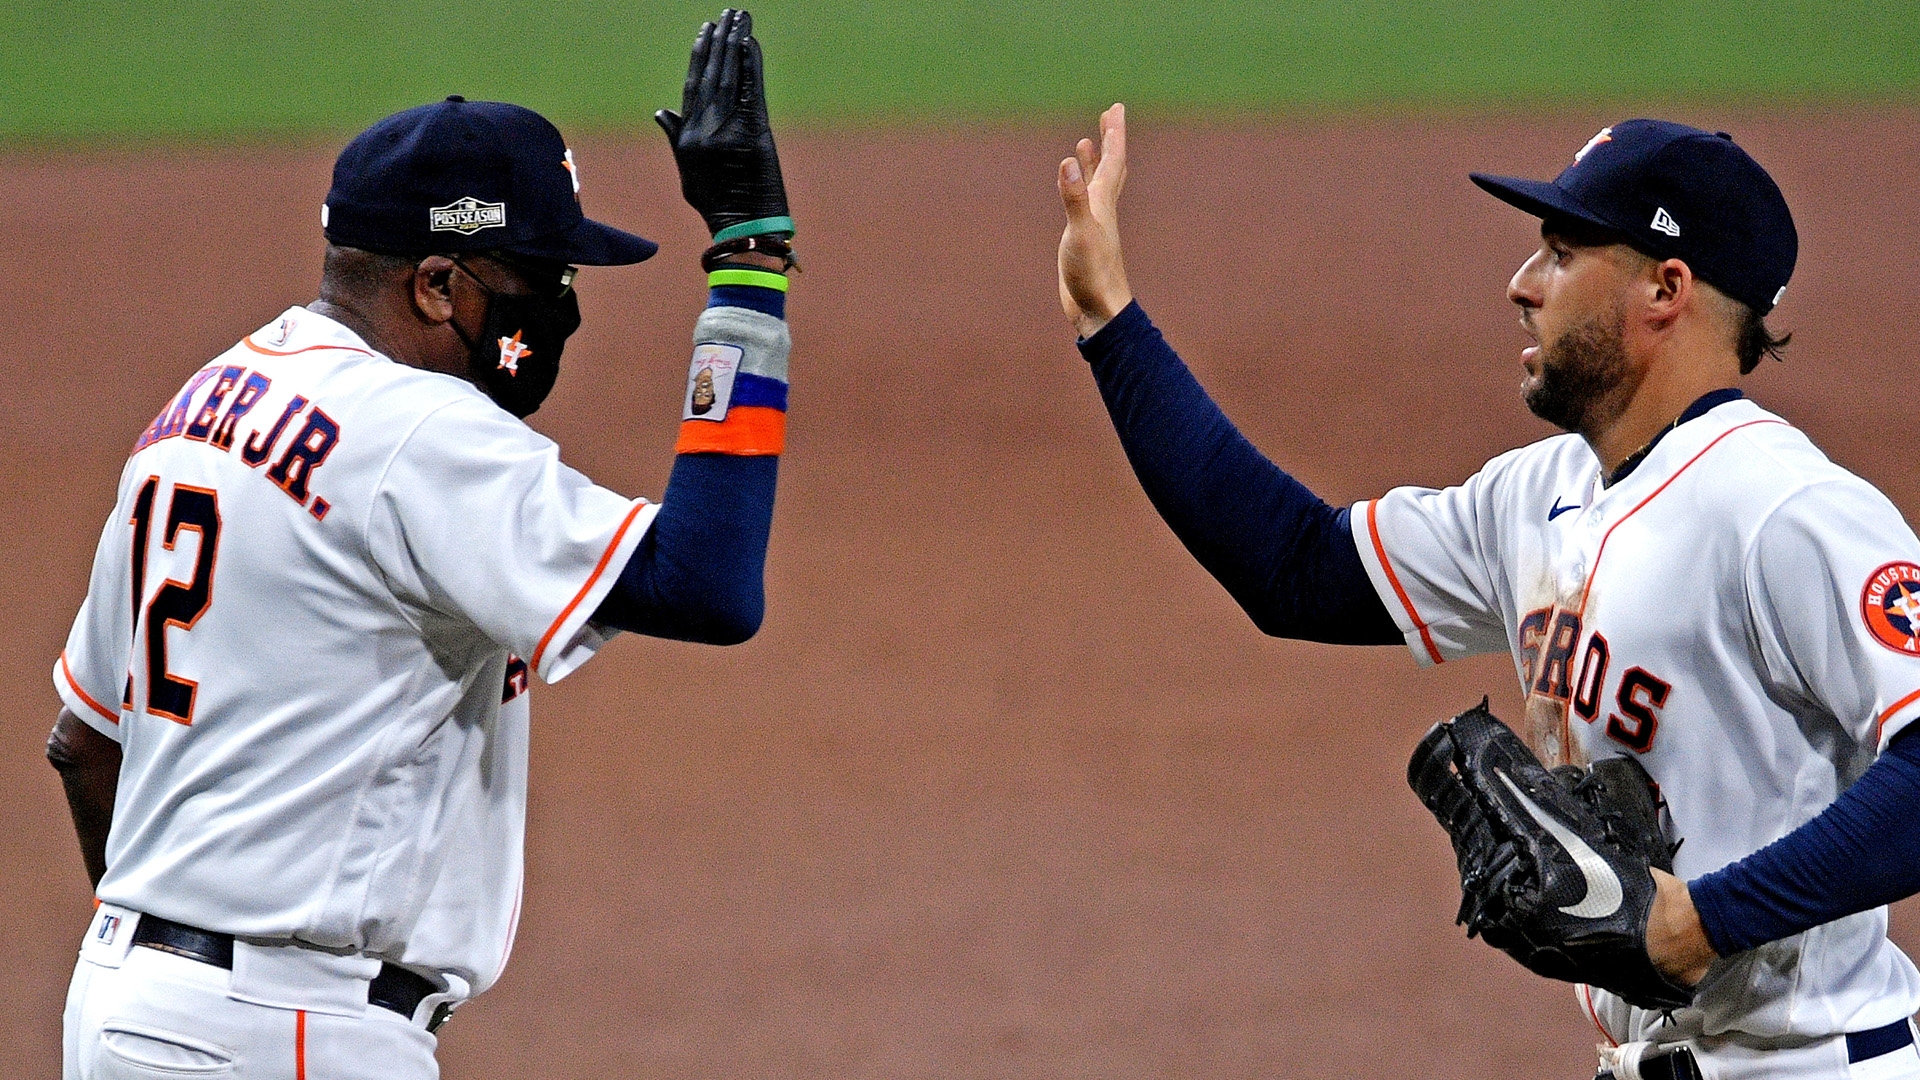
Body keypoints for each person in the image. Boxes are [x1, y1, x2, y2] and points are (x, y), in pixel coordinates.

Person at [1056, 104, 1920, 1079]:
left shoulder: (1786, 510)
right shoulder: (1533, 495)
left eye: (1560, 253)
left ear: (1664, 288)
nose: (1521, 285)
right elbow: (1294, 569)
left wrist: (1700, 923)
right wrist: (1110, 321)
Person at [47, 10, 797, 1078]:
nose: (560, 312)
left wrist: (175, 964)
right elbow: (712, 584)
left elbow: (85, 740)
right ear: (437, 284)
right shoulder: (415, 432)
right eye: (539, 284)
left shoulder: (199, 404)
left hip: (125, 1011)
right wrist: (750, 259)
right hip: (290, 1034)